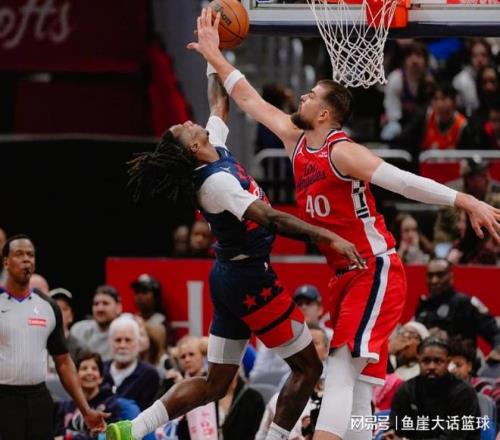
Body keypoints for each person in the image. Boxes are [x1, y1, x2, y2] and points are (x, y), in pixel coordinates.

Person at [187, 9, 500, 440]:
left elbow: (403, 181)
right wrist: (214, 56)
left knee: (338, 367)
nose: (302, 97)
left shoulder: (342, 151)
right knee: (357, 389)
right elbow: (249, 100)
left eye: (311, 95)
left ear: (325, 114)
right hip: (344, 273)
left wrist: (464, 200)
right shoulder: (296, 140)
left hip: (374, 267)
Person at [105, 55, 364, 440]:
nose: (188, 122)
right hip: (249, 280)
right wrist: (329, 237)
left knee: (215, 384)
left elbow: (218, 104)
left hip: (228, 276)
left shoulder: (213, 147)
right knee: (309, 368)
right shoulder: (215, 184)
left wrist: (214, 57)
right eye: (183, 129)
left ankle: (134, 427)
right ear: (193, 147)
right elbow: (271, 218)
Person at [0, 235, 108, 439]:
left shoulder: (48, 306)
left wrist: (86, 410)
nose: (26, 259)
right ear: (6, 262)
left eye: (31, 255)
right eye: (19, 254)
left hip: (38, 399)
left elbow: (64, 362)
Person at [383, 337, 481, 440]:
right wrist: (391, 435)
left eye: (438, 361)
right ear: (418, 360)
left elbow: (451, 437)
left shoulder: (463, 393)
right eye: (426, 361)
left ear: (448, 362)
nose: (431, 367)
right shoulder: (407, 390)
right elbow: (394, 425)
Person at [415, 258, 500, 360]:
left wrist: (497, 350)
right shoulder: (424, 305)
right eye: (430, 276)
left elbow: (495, 333)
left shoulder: (465, 303)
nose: (434, 280)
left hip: (458, 363)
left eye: (440, 275)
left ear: (451, 276)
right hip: (427, 363)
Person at [54, 351, 121, 440]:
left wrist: (68, 438)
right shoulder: (64, 406)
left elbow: (111, 435)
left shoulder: (110, 404)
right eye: (84, 368)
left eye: (94, 368)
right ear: (75, 376)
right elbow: (56, 434)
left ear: (101, 378)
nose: (89, 372)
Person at [103, 316, 160, 411]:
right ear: (110, 342)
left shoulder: (149, 375)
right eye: (118, 340)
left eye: (128, 340)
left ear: (137, 343)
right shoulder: (100, 370)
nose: (122, 345)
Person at [71, 285, 123, 361]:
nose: (100, 309)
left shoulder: (127, 330)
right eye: (96, 304)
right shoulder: (79, 329)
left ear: (118, 308)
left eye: (105, 303)